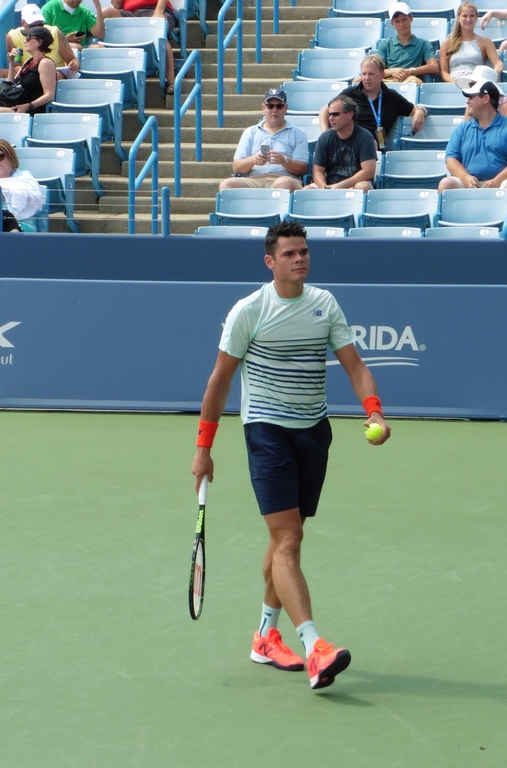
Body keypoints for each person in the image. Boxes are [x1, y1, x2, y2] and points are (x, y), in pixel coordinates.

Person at [190, 220, 390, 691]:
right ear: (270, 261)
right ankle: (315, 645)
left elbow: (355, 365)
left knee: (286, 539)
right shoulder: (249, 311)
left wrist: (373, 411)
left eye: (304, 252)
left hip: (313, 432)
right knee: (289, 538)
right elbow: (219, 381)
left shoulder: (324, 305)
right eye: (290, 254)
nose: (300, 259)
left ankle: (264, 635)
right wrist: (204, 449)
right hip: (266, 431)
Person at [318, 55, 427, 150]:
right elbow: (325, 110)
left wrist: (420, 111)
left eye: (371, 74)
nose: (366, 78)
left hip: (373, 149)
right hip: (349, 144)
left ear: (382, 75)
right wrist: (324, 134)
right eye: (364, 74)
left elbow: (415, 109)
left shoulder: (391, 96)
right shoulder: (351, 93)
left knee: (370, 143)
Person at [438, 78, 507, 192]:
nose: (467, 101)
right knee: (446, 183)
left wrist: (496, 181)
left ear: (486, 98)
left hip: (501, 184)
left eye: (471, 97)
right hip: (468, 184)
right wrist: (465, 177)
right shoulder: (462, 129)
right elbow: (451, 159)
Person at [219, 88, 310, 191]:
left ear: (286, 108)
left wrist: (284, 160)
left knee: (283, 183)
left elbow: (303, 168)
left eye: (279, 106)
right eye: (270, 106)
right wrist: (252, 160)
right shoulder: (250, 132)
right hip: (254, 179)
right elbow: (237, 167)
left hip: (284, 178)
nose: (274, 110)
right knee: (226, 185)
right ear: (263, 108)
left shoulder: (297, 132)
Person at [101, 0, 177, 93]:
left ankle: (171, 80)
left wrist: (159, 11)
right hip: (131, 13)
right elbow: (117, 5)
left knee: (160, 34)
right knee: (104, 13)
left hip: (155, 10)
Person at [306, 96, 378, 191]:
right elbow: (317, 171)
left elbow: (368, 171)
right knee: (306, 190)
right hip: (329, 184)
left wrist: (341, 186)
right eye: (329, 114)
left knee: (362, 187)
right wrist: (324, 187)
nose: (331, 118)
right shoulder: (325, 137)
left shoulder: (365, 137)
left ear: (350, 114)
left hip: (355, 183)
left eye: (335, 114)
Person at [0, 26, 57, 114]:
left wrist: (28, 106)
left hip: (32, 108)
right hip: (18, 104)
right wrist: (11, 64)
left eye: (28, 38)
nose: (25, 41)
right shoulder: (28, 62)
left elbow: (49, 95)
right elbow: (12, 85)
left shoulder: (45, 63)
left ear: (39, 42)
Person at [0, 4, 79, 80]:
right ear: (23, 23)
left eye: (41, 25)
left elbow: (72, 59)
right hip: (29, 79)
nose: (37, 28)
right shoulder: (12, 36)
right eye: (33, 25)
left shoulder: (55, 32)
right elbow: (16, 65)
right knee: (0, 74)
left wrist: (74, 65)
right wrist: (33, 75)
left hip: (55, 79)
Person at [0, 138, 46, 231]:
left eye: (0, 157)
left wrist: (6, 194)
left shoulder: (24, 176)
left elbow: (37, 200)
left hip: (23, 222)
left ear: (10, 156)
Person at [439, 1, 503, 83]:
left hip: (475, 82)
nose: (468, 19)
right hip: (454, 83)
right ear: (458, 18)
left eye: (472, 16)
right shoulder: (447, 43)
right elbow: (443, 72)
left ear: (476, 18)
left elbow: (498, 64)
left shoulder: (485, 42)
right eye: (464, 16)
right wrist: (457, 82)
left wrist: (492, 75)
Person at [376, 2, 439, 84]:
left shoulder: (424, 44)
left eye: (404, 19)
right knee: (358, 81)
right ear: (392, 23)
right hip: (387, 80)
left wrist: (409, 71)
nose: (401, 24)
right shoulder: (385, 44)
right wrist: (393, 71)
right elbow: (377, 71)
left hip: (410, 79)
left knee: (415, 82)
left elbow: (434, 66)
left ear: (411, 18)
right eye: (397, 21)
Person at [41, 0, 106, 51]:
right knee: (76, 47)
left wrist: (98, 7)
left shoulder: (85, 11)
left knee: (100, 48)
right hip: (56, 48)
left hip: (81, 49)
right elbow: (42, 38)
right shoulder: (49, 8)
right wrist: (65, 39)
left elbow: (99, 34)